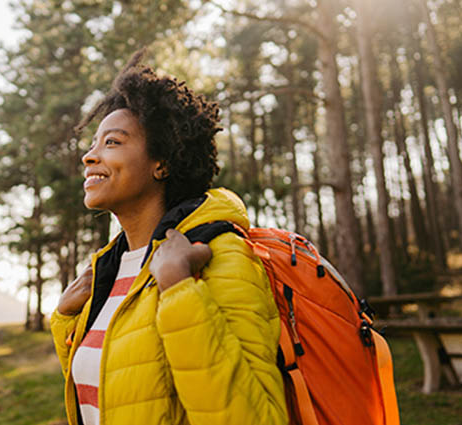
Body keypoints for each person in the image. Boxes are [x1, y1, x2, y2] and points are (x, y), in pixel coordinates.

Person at [50, 49, 288, 425]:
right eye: (93, 143)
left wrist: (179, 290)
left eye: (111, 142)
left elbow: (253, 417)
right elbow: (116, 396)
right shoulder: (106, 273)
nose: (89, 156)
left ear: (161, 162)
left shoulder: (216, 253)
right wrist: (66, 319)